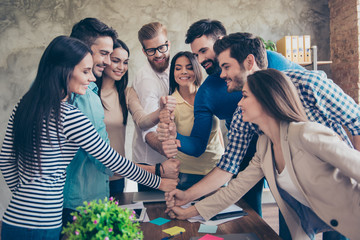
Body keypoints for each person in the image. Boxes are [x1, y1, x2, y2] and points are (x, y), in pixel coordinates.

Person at [167, 32, 360, 240]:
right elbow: (230, 170)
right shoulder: (257, 137)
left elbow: (356, 123)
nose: (221, 75)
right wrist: (188, 202)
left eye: (226, 67)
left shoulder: (309, 90)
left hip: (342, 199)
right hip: (299, 205)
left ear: (249, 62)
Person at [0, 36, 177, 240]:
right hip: (43, 223)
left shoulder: (24, 106)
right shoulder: (69, 115)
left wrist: (26, 198)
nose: (92, 78)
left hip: (13, 219)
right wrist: (159, 182)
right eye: (85, 72)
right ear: (64, 71)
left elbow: (6, 161)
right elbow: (112, 161)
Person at [157, 19, 304, 215]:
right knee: (252, 208)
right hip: (247, 151)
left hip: (293, 147)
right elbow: (205, 150)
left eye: (203, 51)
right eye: (196, 54)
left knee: (299, 208)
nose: (200, 60)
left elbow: (311, 101)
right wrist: (175, 137)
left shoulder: (272, 63)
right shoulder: (211, 97)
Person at [96, 39, 177, 196]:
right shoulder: (89, 94)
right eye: (116, 61)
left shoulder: (127, 93)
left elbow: (142, 121)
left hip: (118, 177)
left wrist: (160, 110)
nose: (121, 67)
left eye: (125, 62)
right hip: (93, 176)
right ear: (105, 60)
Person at [163, 51, 224, 190]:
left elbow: (217, 130)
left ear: (197, 69)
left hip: (217, 170)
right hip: (187, 174)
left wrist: (224, 154)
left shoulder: (208, 95)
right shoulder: (170, 104)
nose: (183, 72)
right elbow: (169, 140)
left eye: (189, 67)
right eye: (178, 68)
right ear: (173, 73)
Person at [133, 22, 179, 191]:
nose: (158, 54)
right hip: (151, 164)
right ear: (144, 51)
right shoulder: (147, 80)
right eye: (151, 50)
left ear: (169, 44)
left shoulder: (175, 70)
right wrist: (170, 151)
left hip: (172, 161)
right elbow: (148, 130)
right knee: (155, 215)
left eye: (162, 47)